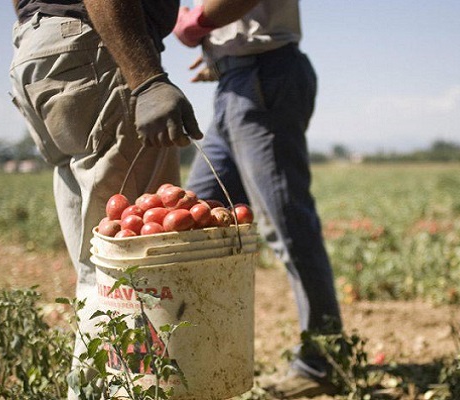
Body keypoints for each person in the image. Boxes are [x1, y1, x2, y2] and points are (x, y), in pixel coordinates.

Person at [8, 1, 201, 397]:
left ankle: (92, 392)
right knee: (139, 276)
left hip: (41, 53)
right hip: (96, 48)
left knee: (102, 274)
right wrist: (146, 79)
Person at [173, 1, 343, 397]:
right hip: (237, 81)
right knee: (194, 219)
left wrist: (195, 23)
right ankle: (196, 355)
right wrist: (220, 52)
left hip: (264, 76)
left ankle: (322, 363)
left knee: (287, 225)